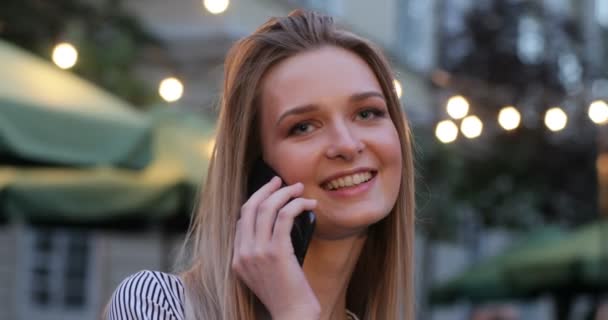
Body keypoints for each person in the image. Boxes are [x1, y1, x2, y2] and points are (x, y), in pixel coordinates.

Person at [105, 9, 415, 320]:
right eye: (304, 126)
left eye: (367, 113)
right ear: (255, 169)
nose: (347, 145)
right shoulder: (156, 305)